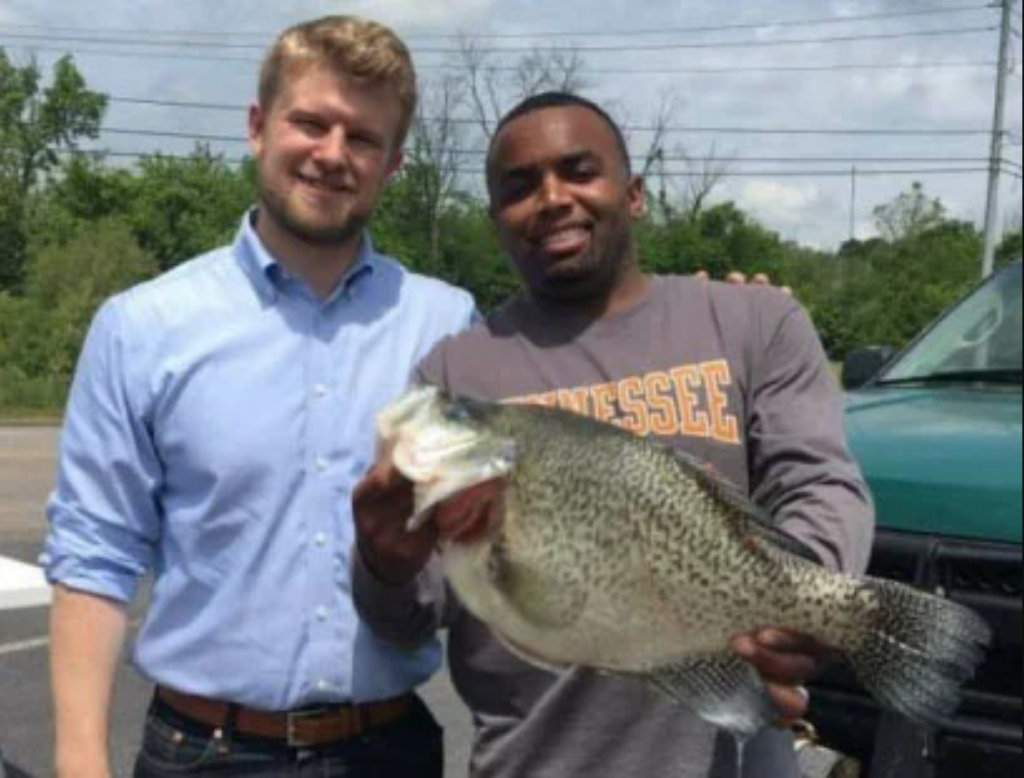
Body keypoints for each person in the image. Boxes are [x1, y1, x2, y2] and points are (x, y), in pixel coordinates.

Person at [352, 92, 874, 778]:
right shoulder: (454, 378)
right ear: (496, 221)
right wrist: (383, 562)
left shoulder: (754, 321)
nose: (551, 198)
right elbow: (410, 615)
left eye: (578, 170)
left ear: (633, 194)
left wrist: (804, 603)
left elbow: (819, 481)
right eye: (519, 187)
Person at [43, 15, 475, 778]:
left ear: (394, 162)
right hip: (202, 753)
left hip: (390, 751)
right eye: (309, 122)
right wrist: (81, 762)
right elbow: (95, 555)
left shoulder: (446, 328)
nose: (332, 154)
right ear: (257, 126)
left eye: (363, 138)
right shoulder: (144, 327)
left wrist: (732, 329)